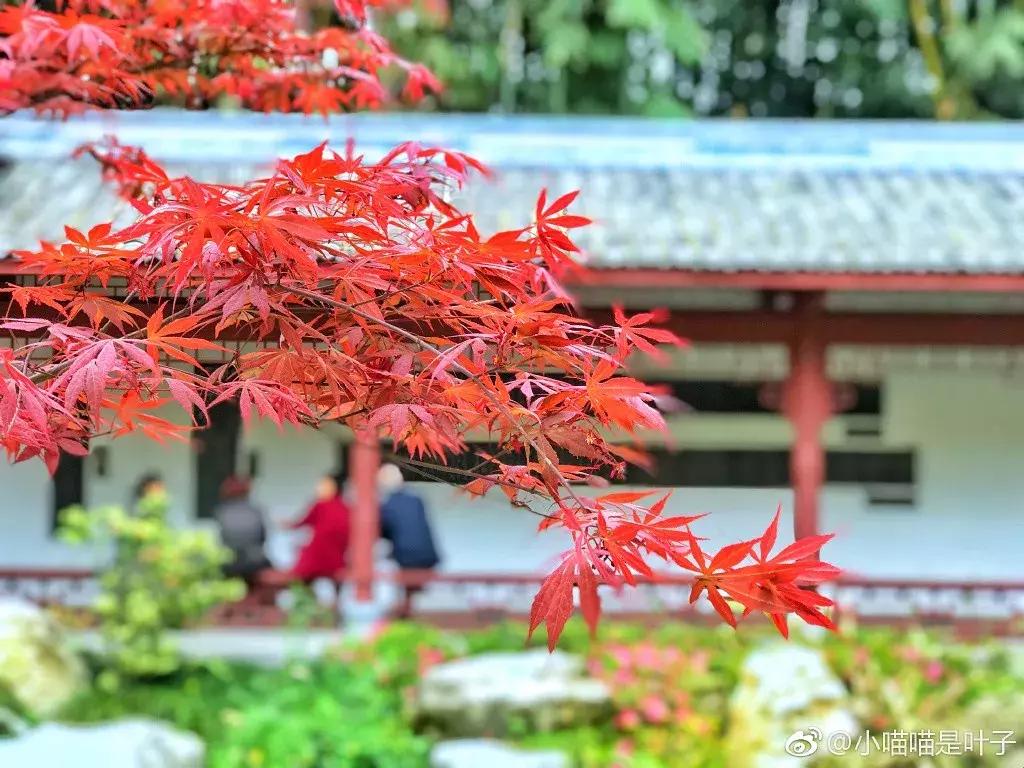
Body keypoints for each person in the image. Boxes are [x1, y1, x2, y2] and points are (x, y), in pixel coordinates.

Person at [378, 463, 440, 619]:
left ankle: (404, 615)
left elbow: (383, 531)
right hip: (428, 554)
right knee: (410, 590)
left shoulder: (388, 505)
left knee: (399, 583)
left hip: (405, 555)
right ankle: (407, 611)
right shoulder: (416, 499)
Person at [288, 472, 351, 583]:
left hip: (318, 557)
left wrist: (287, 524)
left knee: (300, 573)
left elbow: (301, 522)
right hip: (338, 558)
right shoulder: (345, 507)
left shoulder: (321, 505)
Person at [214, 475, 270, 586]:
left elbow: (223, 538)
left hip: (229, 563)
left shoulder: (221, 511)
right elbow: (263, 537)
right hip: (254, 562)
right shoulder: (256, 510)